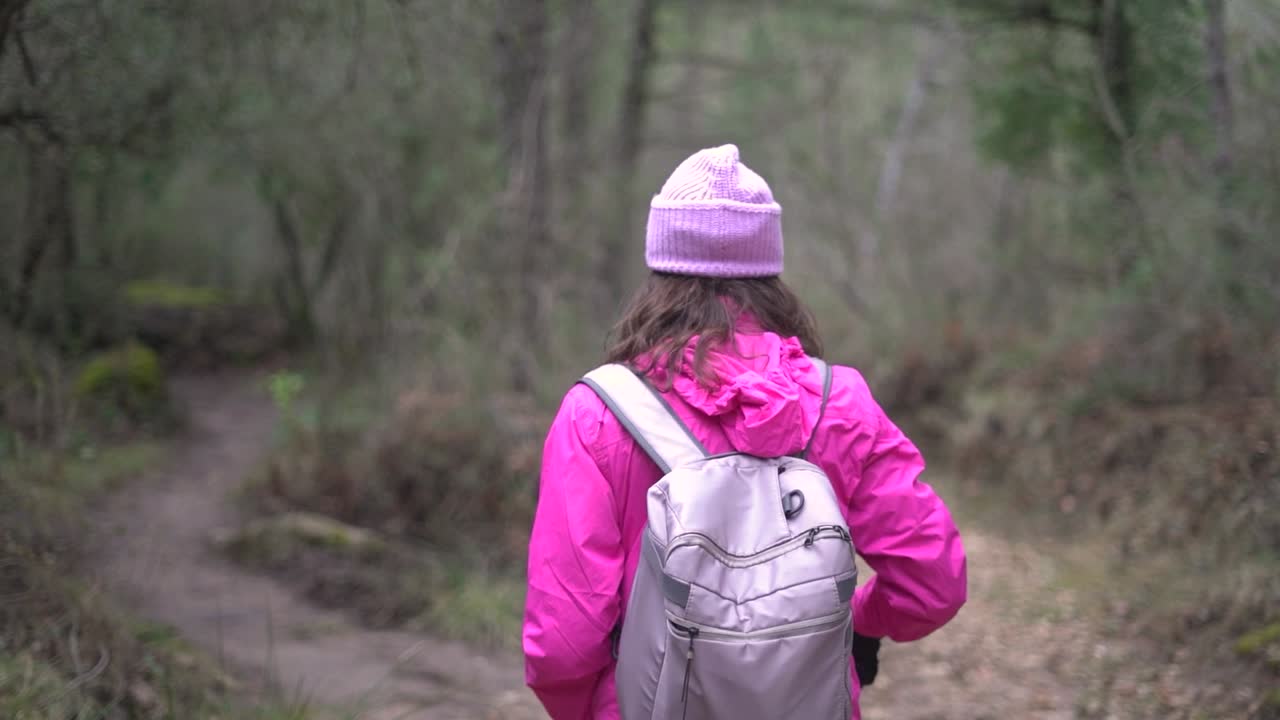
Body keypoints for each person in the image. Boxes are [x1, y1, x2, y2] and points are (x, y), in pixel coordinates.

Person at [522, 144, 967, 720]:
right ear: (769, 270)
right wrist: (845, 619)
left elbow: (562, 641)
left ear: (661, 266)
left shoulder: (597, 413)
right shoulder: (840, 403)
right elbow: (933, 585)